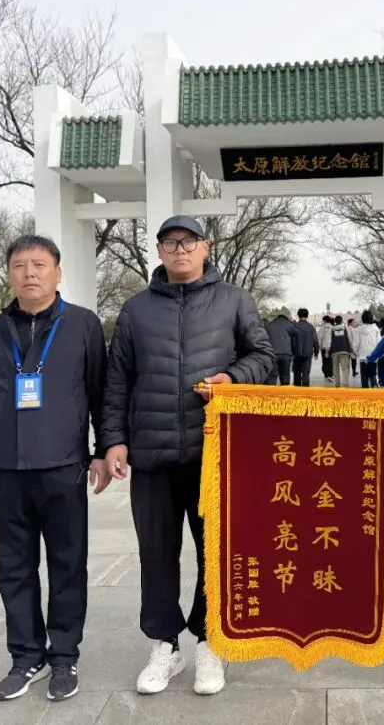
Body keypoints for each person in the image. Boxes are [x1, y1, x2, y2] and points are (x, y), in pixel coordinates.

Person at [100, 214, 274, 697]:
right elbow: (117, 381)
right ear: (158, 251)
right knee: (156, 554)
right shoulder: (135, 310)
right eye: (170, 242)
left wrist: (232, 378)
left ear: (206, 247)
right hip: (151, 455)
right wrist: (113, 440)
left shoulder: (234, 300)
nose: (180, 249)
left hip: (214, 454)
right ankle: (165, 644)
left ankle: (209, 640)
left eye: (189, 241)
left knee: (215, 552)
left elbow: (263, 356)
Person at [0, 235, 108, 703]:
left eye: (39, 264)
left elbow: (100, 393)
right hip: (7, 469)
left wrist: (103, 449)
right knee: (13, 566)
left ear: (57, 273)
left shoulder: (83, 325)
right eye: (20, 265)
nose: (29, 273)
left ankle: (64, 655)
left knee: (67, 564)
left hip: (63, 466)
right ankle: (26, 655)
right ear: (9, 274)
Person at [265, 311, 295, 385]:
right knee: (285, 376)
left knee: (272, 376)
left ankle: (271, 391)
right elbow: (295, 333)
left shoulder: (270, 324)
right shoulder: (288, 324)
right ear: (286, 318)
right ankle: (284, 391)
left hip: (272, 354)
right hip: (286, 354)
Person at [291, 308, 318, 386]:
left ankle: (297, 390)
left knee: (297, 373)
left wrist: (291, 352)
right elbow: (315, 341)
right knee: (306, 373)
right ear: (307, 316)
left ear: (298, 315)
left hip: (296, 353)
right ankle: (305, 390)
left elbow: (291, 340)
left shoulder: (294, 326)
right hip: (308, 354)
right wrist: (316, 352)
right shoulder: (311, 327)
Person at [354, 310, 379, 388]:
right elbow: (378, 343)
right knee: (373, 374)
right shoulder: (376, 329)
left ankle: (365, 392)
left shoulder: (358, 329)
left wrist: (356, 352)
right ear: (371, 318)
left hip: (362, 356)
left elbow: (356, 343)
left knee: (364, 376)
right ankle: (374, 391)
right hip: (373, 356)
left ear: (363, 319)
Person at [328, 314, 353, 387]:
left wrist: (328, 351)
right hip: (345, 351)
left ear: (335, 321)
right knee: (345, 369)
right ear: (342, 321)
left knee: (336, 369)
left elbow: (329, 341)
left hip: (334, 351)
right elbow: (350, 339)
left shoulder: (332, 329)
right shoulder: (346, 328)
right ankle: (345, 383)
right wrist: (351, 348)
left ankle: (337, 383)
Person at [318, 314, 334, 382]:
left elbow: (319, 339)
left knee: (325, 362)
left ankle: (326, 375)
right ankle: (330, 375)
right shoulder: (333, 328)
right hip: (331, 348)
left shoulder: (321, 329)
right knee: (330, 362)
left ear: (324, 321)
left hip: (324, 348)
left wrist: (319, 347)